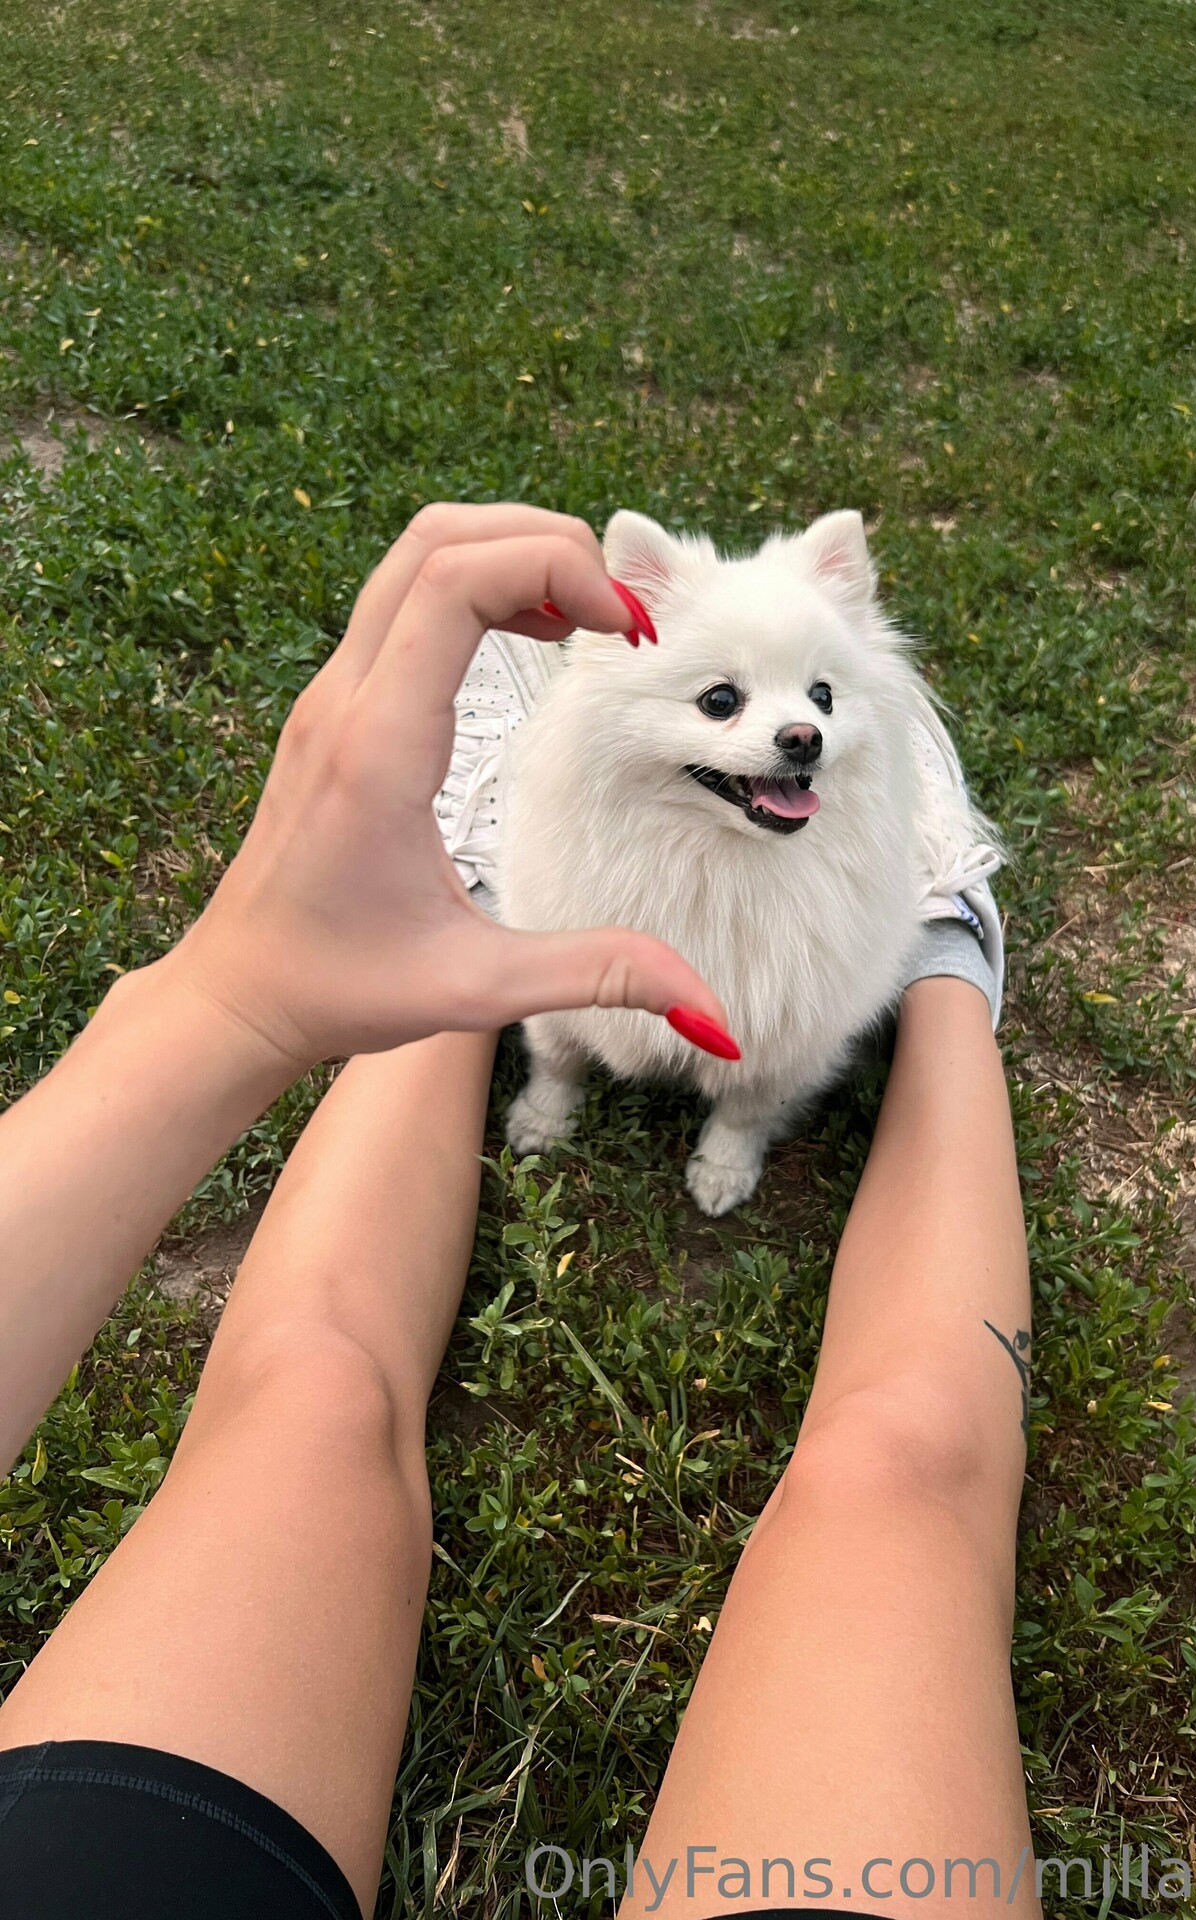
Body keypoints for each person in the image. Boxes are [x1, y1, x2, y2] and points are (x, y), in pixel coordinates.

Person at [0, 506, 1041, 1919]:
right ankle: (537, 925)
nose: (794, 729)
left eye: (819, 696)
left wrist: (228, 1002)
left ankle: (914, 948)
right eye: (724, 701)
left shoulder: (808, 777)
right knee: (909, 1470)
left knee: (308, 1387)